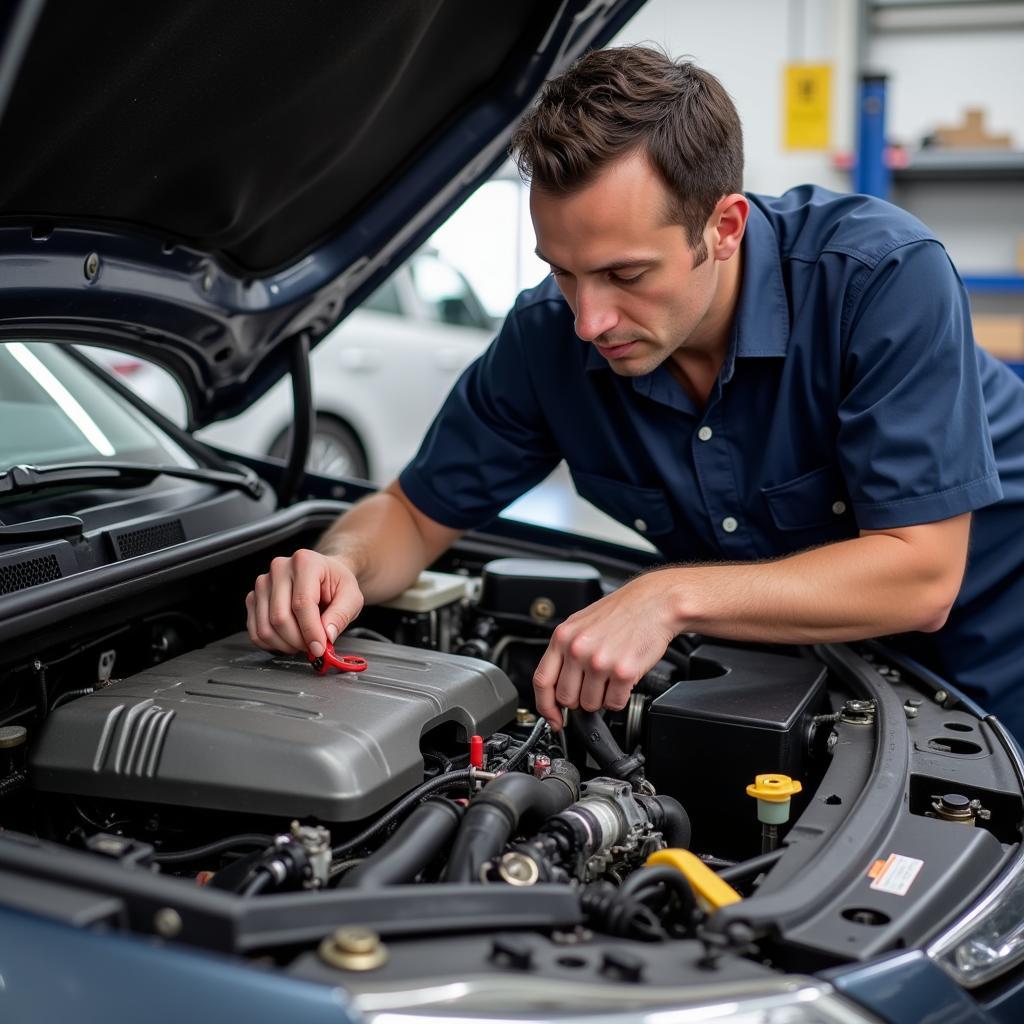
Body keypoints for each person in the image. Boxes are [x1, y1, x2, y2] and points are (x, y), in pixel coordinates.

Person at [247, 46, 1024, 738]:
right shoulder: (546, 338)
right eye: (562, 270)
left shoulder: (880, 280)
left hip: (986, 673)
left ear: (724, 227)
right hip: (797, 674)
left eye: (625, 275)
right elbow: (413, 516)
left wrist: (666, 596)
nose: (589, 320)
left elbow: (922, 575)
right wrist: (341, 565)